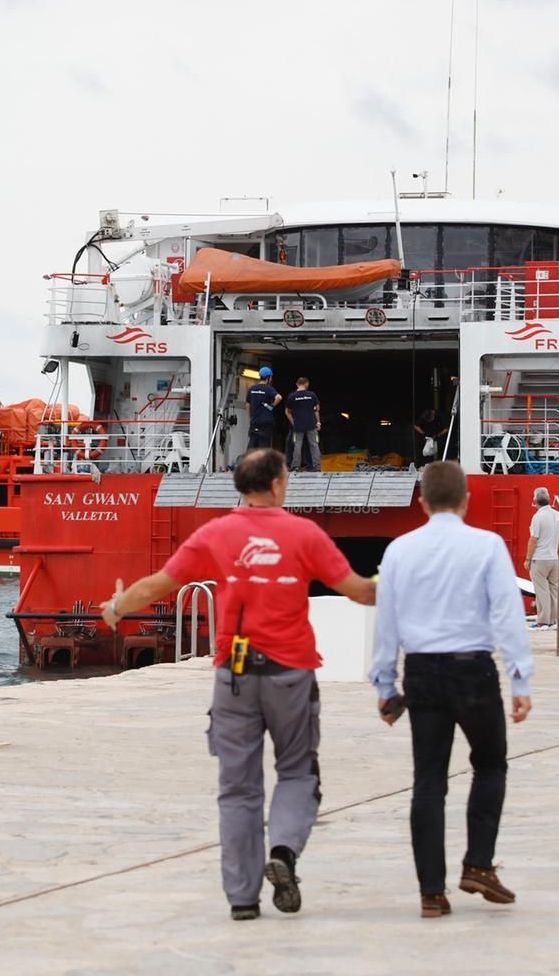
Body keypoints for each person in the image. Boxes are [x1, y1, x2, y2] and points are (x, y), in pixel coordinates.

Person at [101, 448, 377, 921]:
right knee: (296, 772)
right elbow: (359, 591)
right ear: (275, 485)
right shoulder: (305, 534)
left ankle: (242, 899)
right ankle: (284, 853)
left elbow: (160, 584)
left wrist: (117, 607)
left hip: (234, 675)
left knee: (238, 789)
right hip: (291, 673)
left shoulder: (214, 534)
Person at [370, 461, 535, 919]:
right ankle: (478, 865)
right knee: (490, 766)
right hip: (473, 671)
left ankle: (431, 893)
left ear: (420, 501)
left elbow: (387, 623)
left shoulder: (400, 550)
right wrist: (520, 679)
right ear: (465, 500)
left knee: (428, 782)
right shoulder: (487, 546)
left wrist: (385, 686)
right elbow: (507, 614)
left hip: (421, 674)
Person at [524, 487, 559, 628]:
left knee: (541, 591)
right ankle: (555, 620)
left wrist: (528, 558)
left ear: (535, 501)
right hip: (554, 557)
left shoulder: (538, 517)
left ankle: (543, 621)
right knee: (554, 589)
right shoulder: (558, 515)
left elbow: (534, 539)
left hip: (540, 558)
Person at [284, 377, 321, 472]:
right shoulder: (312, 395)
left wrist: (293, 422)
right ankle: (317, 467)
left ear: (297, 384)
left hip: (298, 425)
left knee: (297, 445)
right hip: (311, 424)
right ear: (306, 384)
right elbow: (317, 409)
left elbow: (287, 411)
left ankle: (295, 466)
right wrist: (318, 422)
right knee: (314, 445)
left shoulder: (293, 396)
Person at [245, 368, 281, 452]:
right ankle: (263, 463)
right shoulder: (269, 388)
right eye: (271, 377)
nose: (271, 379)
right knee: (264, 447)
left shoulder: (252, 389)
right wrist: (271, 406)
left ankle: (249, 463)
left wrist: (250, 417)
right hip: (266, 422)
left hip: (255, 421)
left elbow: (247, 404)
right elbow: (279, 397)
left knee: (252, 445)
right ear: (268, 378)